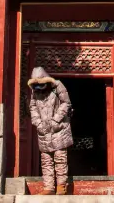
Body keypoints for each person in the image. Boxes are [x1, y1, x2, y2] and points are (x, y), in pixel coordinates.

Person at [28, 66, 73, 195]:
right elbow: (32, 107)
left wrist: (55, 120)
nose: (39, 88)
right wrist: (38, 123)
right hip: (43, 130)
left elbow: (66, 103)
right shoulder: (34, 91)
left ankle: (61, 186)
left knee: (60, 158)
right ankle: (48, 187)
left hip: (59, 129)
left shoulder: (57, 86)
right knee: (46, 159)